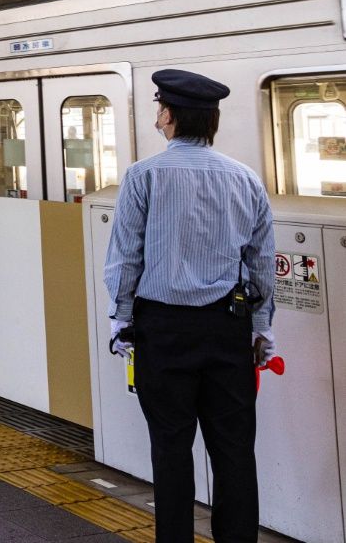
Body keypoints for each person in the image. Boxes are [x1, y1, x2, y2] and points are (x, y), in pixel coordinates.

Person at [104, 69, 276, 543]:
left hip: (163, 332)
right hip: (228, 330)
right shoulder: (246, 180)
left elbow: (125, 257)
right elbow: (261, 265)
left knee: (171, 450)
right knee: (235, 451)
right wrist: (261, 328)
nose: (158, 118)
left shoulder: (144, 176)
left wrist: (121, 320)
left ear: (171, 116)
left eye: (161, 110)